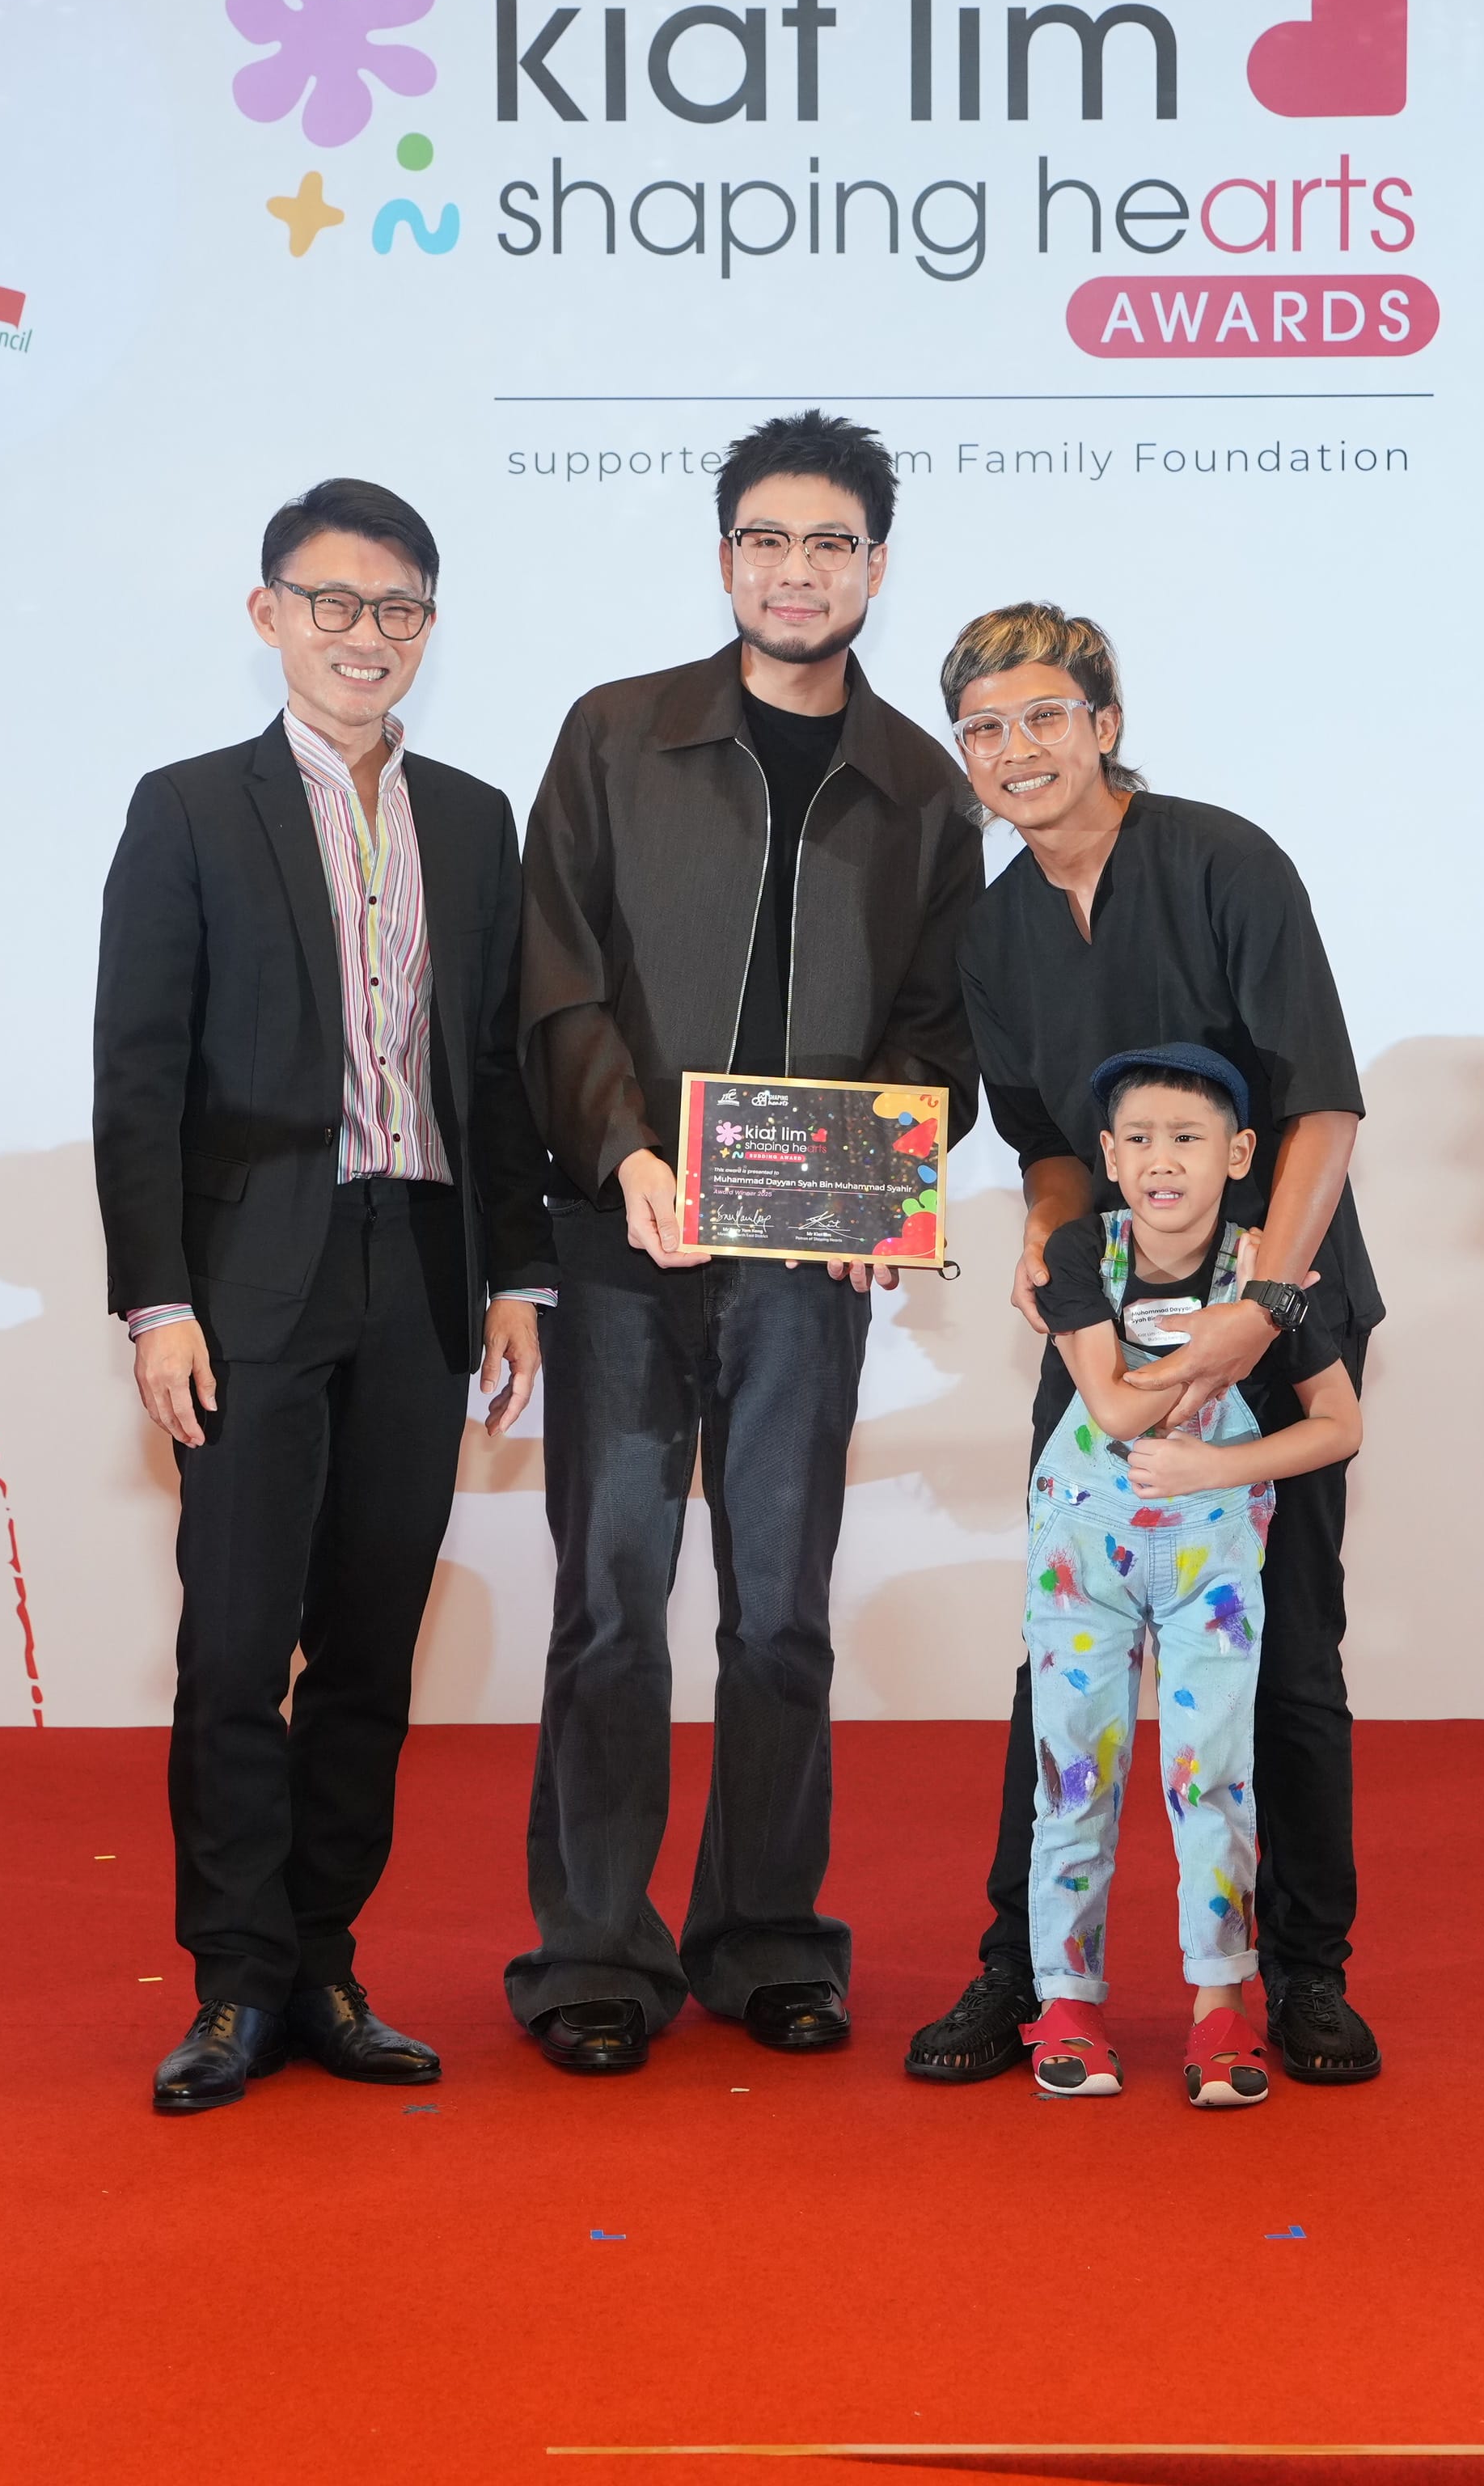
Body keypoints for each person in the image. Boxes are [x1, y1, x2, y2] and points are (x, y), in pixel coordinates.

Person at [504, 411, 982, 2073]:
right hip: (623, 1239)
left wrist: (887, 1193)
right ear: (725, 560)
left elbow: (936, 1027)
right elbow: (551, 977)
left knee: (781, 1611)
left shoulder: (922, 786)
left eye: (831, 546)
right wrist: (623, 1149)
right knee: (612, 1602)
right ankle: (592, 1955)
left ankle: (769, 1936)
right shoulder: (617, 738)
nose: (798, 571)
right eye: (769, 541)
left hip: (804, 1267)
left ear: (876, 569)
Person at [95, 478, 552, 2116]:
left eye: (399, 610)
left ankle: (326, 1963)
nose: (368, 636)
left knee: (368, 1646)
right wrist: (159, 1305)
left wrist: (518, 1280)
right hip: (250, 1281)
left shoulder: (481, 820)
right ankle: (234, 1985)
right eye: (335, 604)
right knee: (236, 1646)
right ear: (268, 614)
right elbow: (136, 1076)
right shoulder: (191, 811)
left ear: (429, 627)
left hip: (423, 1270)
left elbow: (496, 1069)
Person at [907, 602, 1393, 2090]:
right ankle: (1025, 1972)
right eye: (984, 729)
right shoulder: (990, 929)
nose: (1015, 750)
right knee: (1065, 1657)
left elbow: (1321, 1104)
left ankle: (1301, 1971)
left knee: (1286, 1649)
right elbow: (1052, 1147)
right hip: (1109, 1317)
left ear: (1104, 724)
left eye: (1044, 716)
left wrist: (1262, 1307)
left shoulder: (1223, 861)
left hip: (1283, 1297)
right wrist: (1061, 1274)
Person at [1011, 1046, 1367, 2108]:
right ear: (1110, 1158)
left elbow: (1340, 1427)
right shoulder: (1083, 1253)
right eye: (1139, 1139)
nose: (1163, 1161)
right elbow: (1112, 1412)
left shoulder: (1271, 1268)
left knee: (1212, 1778)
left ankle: (1223, 2004)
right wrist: (1246, 1327)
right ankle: (1066, 1998)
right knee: (1075, 1774)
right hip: (1084, 1559)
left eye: (1189, 1137)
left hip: (1214, 1563)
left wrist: (1222, 1464)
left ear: (1240, 1152)